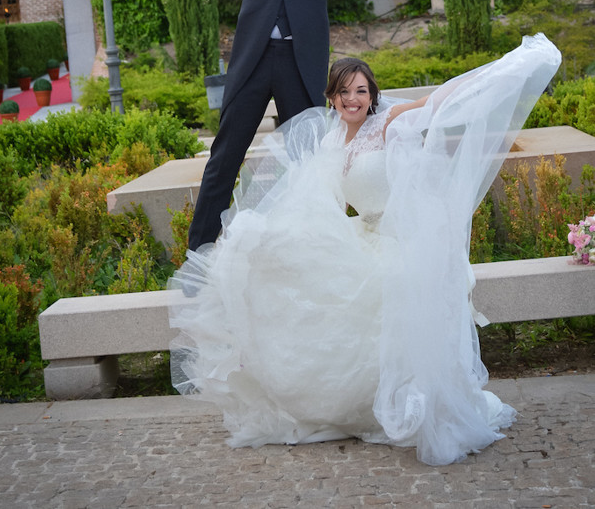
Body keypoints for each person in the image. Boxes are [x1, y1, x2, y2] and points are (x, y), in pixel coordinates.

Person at [167, 33, 561, 466]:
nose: (353, 99)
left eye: (361, 90)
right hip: (364, 233)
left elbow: (440, 100)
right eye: (344, 91)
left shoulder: (389, 123)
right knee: (287, 270)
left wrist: (513, 64)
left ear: (371, 95)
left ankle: (402, 400)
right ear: (332, 97)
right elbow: (317, 201)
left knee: (382, 291)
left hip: (400, 240)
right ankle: (342, 402)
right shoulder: (331, 140)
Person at [130, 0, 471, 251]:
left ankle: (312, 249)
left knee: (308, 163)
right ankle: (200, 251)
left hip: (300, 65)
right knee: (224, 158)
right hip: (252, 63)